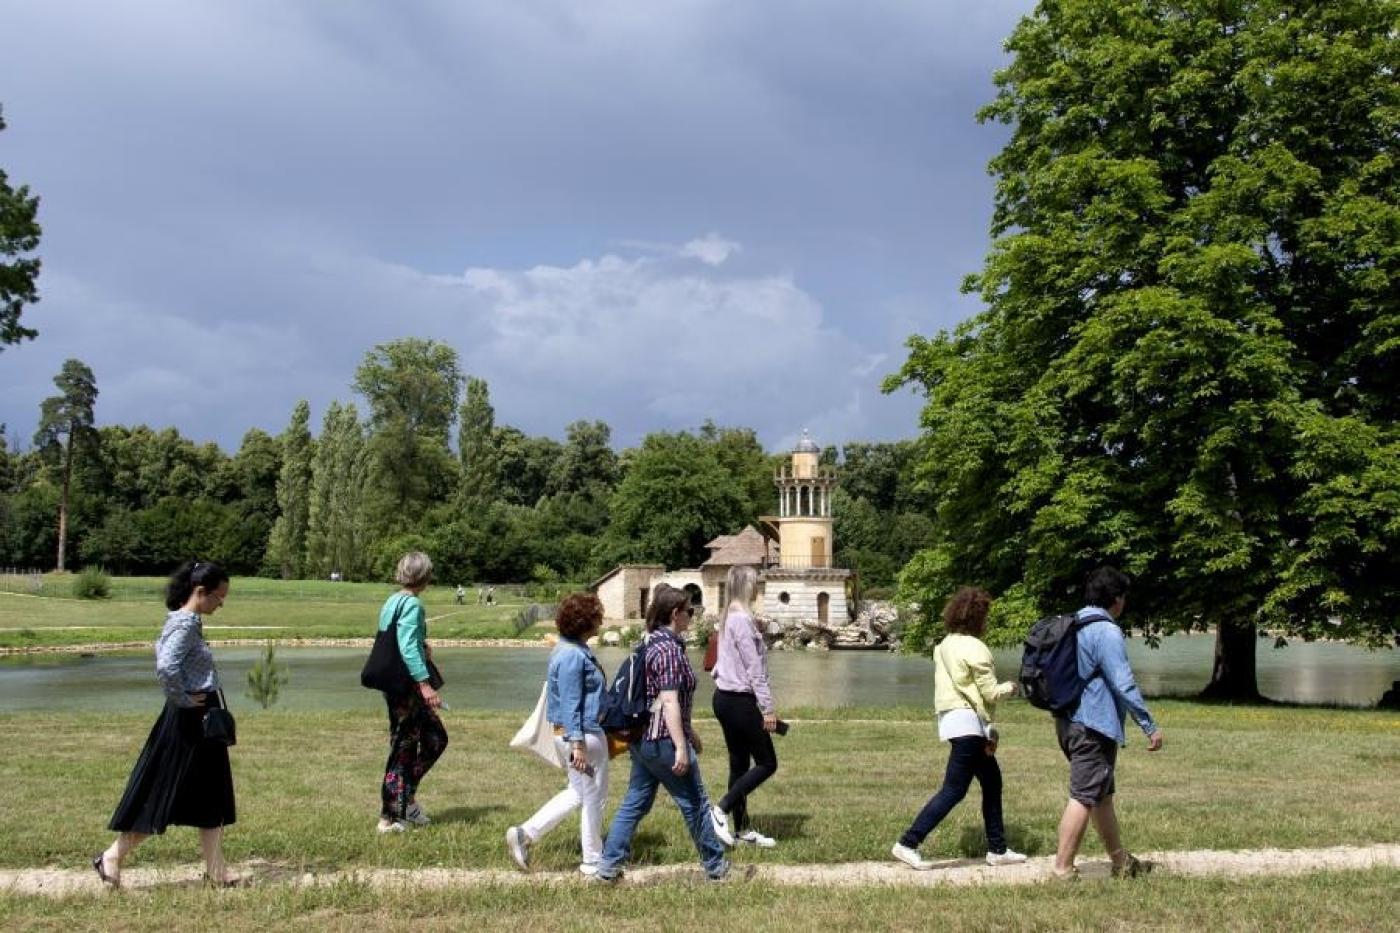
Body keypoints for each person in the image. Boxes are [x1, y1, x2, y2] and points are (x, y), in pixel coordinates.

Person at [94, 560, 241, 888]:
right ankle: (112, 857)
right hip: (188, 721)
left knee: (211, 795)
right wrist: (186, 699)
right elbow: (166, 665)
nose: (221, 603)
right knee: (162, 791)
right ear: (200, 592)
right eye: (219, 596)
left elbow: (162, 652)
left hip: (199, 719)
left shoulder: (185, 620)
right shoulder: (186, 622)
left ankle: (217, 872)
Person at [594, 584, 730, 882]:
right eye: (689, 611)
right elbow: (668, 699)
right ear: (674, 614)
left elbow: (660, 698)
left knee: (636, 802)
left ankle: (607, 867)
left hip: (643, 740)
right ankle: (716, 868)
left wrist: (689, 729)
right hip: (663, 741)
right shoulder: (668, 650)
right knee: (694, 803)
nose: (692, 616)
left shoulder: (649, 642)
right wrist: (681, 746)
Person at [891, 586, 1027, 870]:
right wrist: (1012, 687)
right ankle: (908, 842)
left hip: (952, 721)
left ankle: (998, 848)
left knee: (992, 782)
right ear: (979, 618)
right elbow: (990, 693)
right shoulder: (976, 648)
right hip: (969, 725)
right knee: (953, 790)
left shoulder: (943, 646)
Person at [1052, 566, 1164, 879]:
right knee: (1084, 796)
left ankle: (1121, 863)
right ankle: (1062, 869)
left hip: (1068, 721)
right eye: (1123, 596)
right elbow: (1122, 682)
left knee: (1101, 795)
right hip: (1094, 725)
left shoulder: (1075, 623)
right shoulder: (1106, 630)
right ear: (1115, 599)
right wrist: (1148, 724)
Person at [507, 593, 610, 875]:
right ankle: (592, 861)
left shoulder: (567, 648)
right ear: (586, 623)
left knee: (579, 792)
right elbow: (570, 701)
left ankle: (526, 833)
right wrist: (577, 745)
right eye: (597, 617)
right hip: (581, 736)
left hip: (573, 734)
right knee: (594, 796)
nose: (600, 622)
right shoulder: (573, 656)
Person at [374, 552, 448, 834]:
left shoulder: (393, 600)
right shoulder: (413, 604)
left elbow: (400, 640)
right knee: (403, 749)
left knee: (435, 740)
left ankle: (407, 800)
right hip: (407, 688)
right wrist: (425, 685)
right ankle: (388, 816)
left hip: (398, 686)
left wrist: (422, 644)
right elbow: (404, 647)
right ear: (425, 576)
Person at [708, 565, 779, 849]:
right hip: (739, 700)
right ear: (745, 586)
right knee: (767, 763)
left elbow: (719, 665)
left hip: (724, 698)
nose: (757, 587)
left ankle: (742, 830)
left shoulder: (727, 618)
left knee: (739, 765)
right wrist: (768, 707)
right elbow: (753, 669)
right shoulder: (741, 620)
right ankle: (720, 809)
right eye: (754, 582)